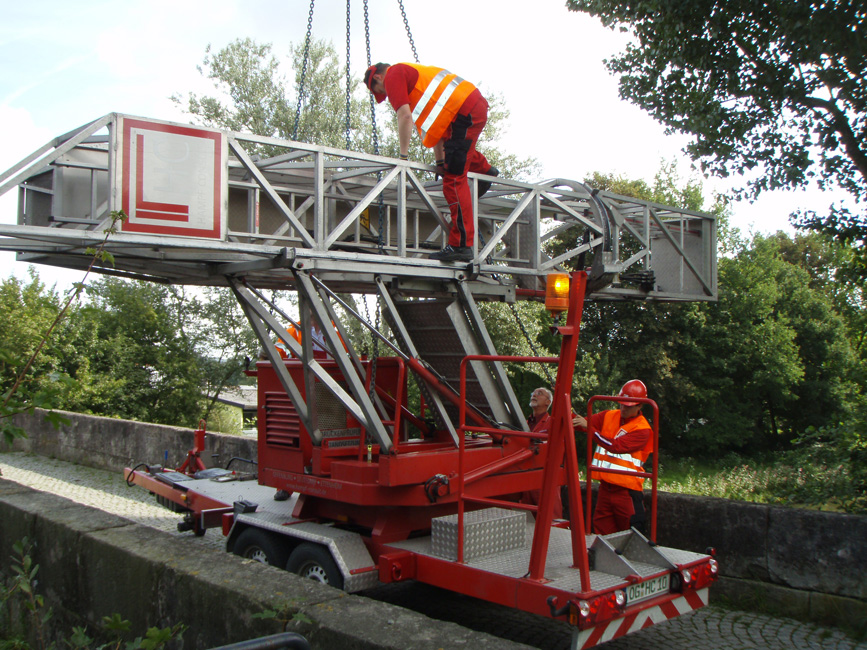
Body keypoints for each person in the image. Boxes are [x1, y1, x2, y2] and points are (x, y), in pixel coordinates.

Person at [364, 62, 498, 262]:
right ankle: (485, 171)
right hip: (467, 106)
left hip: (464, 110)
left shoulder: (393, 75)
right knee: (456, 154)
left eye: (380, 91)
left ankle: (461, 245)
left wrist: (403, 157)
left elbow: (404, 116)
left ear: (377, 78)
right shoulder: (414, 82)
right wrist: (441, 161)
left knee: (453, 180)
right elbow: (438, 130)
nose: (386, 94)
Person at [572, 380, 653, 535]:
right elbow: (581, 424)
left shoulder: (643, 430)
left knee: (631, 533)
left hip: (627, 492)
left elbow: (616, 446)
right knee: (602, 532)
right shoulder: (608, 416)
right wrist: (565, 407)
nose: (623, 408)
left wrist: (590, 429)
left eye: (628, 406)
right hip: (605, 488)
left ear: (640, 406)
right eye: (621, 404)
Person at [520, 387, 563, 519]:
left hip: (545, 476)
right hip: (526, 475)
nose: (534, 395)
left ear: (548, 402)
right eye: (533, 393)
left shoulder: (552, 423)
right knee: (528, 517)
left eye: (539, 393)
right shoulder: (525, 423)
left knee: (551, 516)